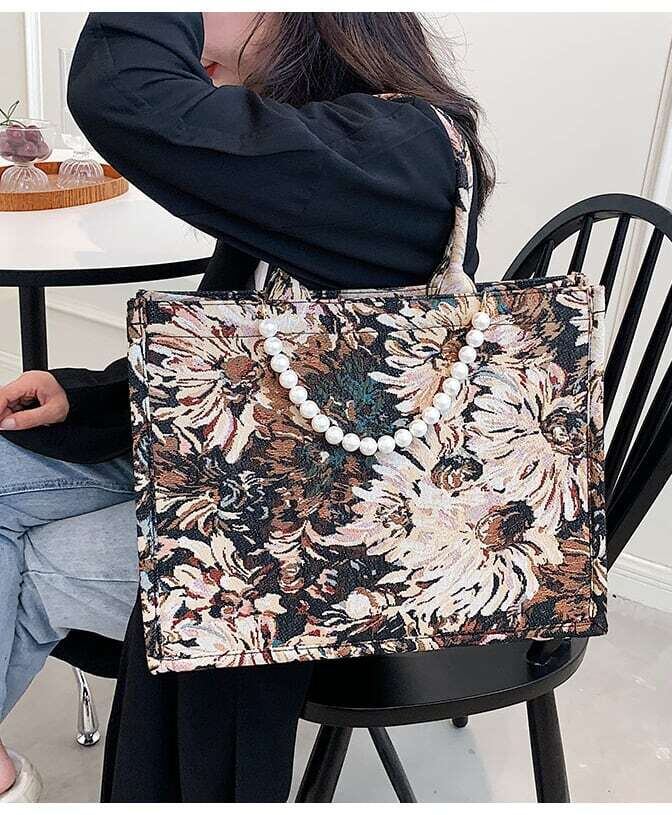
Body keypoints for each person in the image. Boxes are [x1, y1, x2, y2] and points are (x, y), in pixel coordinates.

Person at [0, 12, 494, 802]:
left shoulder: (397, 153)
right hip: (255, 454)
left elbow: (124, 92)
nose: (192, 36)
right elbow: (229, 348)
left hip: (340, 535)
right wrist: (89, 396)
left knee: (38, 557)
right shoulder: (312, 140)